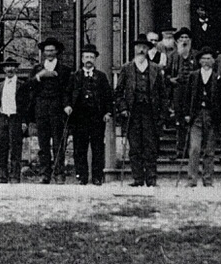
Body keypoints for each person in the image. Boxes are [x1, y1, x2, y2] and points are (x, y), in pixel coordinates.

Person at [115, 35, 168, 187]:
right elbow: (118, 92)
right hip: (132, 113)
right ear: (134, 49)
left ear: (148, 49)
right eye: (139, 47)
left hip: (150, 113)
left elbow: (163, 95)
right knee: (135, 147)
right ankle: (137, 178)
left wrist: (162, 114)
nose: (141, 50)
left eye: (144, 47)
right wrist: (123, 108)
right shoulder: (126, 68)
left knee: (150, 146)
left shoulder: (156, 69)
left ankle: (151, 179)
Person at [66, 44, 114, 186]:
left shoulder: (101, 77)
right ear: (82, 59)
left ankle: (97, 177)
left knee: (97, 148)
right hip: (79, 118)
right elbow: (67, 94)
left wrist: (107, 112)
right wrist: (68, 106)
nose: (89, 60)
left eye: (91, 57)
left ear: (95, 60)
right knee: (80, 148)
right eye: (86, 57)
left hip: (96, 117)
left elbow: (108, 96)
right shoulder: (74, 76)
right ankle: (82, 176)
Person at [181, 46, 221, 187]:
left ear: (213, 61)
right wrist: (187, 114)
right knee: (195, 148)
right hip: (196, 116)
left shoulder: (218, 78)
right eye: (203, 58)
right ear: (199, 61)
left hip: (212, 116)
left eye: (209, 58)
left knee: (209, 150)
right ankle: (192, 179)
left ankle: (208, 179)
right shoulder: (193, 76)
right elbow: (187, 97)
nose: (206, 61)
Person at [34, 37, 72, 183]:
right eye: (46, 50)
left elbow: (67, 90)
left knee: (58, 143)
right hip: (41, 110)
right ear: (43, 52)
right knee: (43, 144)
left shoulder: (65, 70)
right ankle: (45, 174)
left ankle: (59, 173)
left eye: (52, 50)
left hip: (57, 110)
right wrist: (40, 76)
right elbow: (29, 88)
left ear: (57, 51)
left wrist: (67, 105)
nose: (49, 53)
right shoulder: (37, 69)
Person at [0, 57, 32, 183]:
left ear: (16, 69)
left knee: (15, 148)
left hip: (16, 118)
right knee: (1, 148)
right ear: (3, 69)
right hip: (2, 118)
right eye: (7, 66)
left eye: (12, 66)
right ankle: (1, 175)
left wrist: (25, 121)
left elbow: (27, 105)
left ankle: (15, 176)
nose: (10, 69)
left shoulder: (22, 85)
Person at [166, 27, 196, 159]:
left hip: (193, 92)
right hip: (178, 90)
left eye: (186, 38)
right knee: (179, 120)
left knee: (192, 119)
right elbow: (165, 74)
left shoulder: (195, 55)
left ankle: (192, 149)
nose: (184, 41)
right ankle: (180, 150)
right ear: (177, 41)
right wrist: (170, 80)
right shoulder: (172, 56)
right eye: (181, 38)